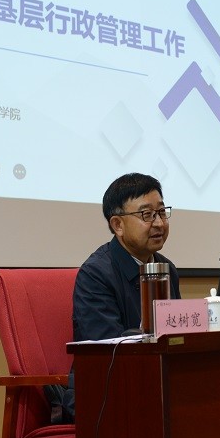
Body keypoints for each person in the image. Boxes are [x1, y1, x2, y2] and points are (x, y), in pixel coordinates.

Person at [51, 172, 181, 422]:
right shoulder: (95, 274)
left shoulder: (167, 269)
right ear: (118, 225)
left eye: (162, 212)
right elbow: (107, 352)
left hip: (154, 386)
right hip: (104, 394)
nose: (159, 223)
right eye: (147, 214)